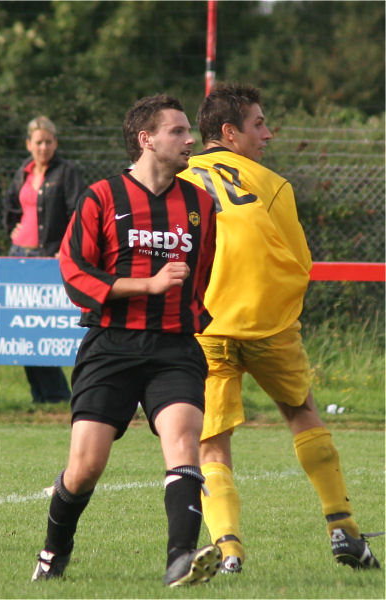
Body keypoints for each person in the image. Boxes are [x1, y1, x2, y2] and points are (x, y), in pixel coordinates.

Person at [179, 82, 381, 573]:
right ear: (229, 133)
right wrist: (282, 311)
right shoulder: (270, 184)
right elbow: (300, 261)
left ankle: (228, 552)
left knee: (211, 441)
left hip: (206, 327)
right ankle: (343, 530)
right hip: (267, 324)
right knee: (302, 412)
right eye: (258, 124)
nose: (268, 134)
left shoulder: (175, 177)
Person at [31, 95, 221, 587]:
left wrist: (180, 310)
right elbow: (74, 273)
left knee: (184, 443)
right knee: (85, 467)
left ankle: (181, 558)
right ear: (147, 139)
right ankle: (54, 550)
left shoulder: (201, 205)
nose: (189, 140)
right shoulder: (101, 197)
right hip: (111, 345)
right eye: (178, 131)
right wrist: (147, 286)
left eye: (188, 132)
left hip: (174, 347)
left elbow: (201, 275)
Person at [3, 116, 85, 404]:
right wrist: (11, 228)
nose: (44, 147)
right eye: (38, 142)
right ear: (29, 144)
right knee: (21, 329)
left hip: (48, 256)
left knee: (43, 327)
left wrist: (65, 248)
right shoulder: (23, 172)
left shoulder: (66, 172)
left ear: (55, 143)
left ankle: (56, 395)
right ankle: (40, 394)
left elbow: (78, 212)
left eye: (49, 141)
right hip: (18, 255)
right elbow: (12, 204)